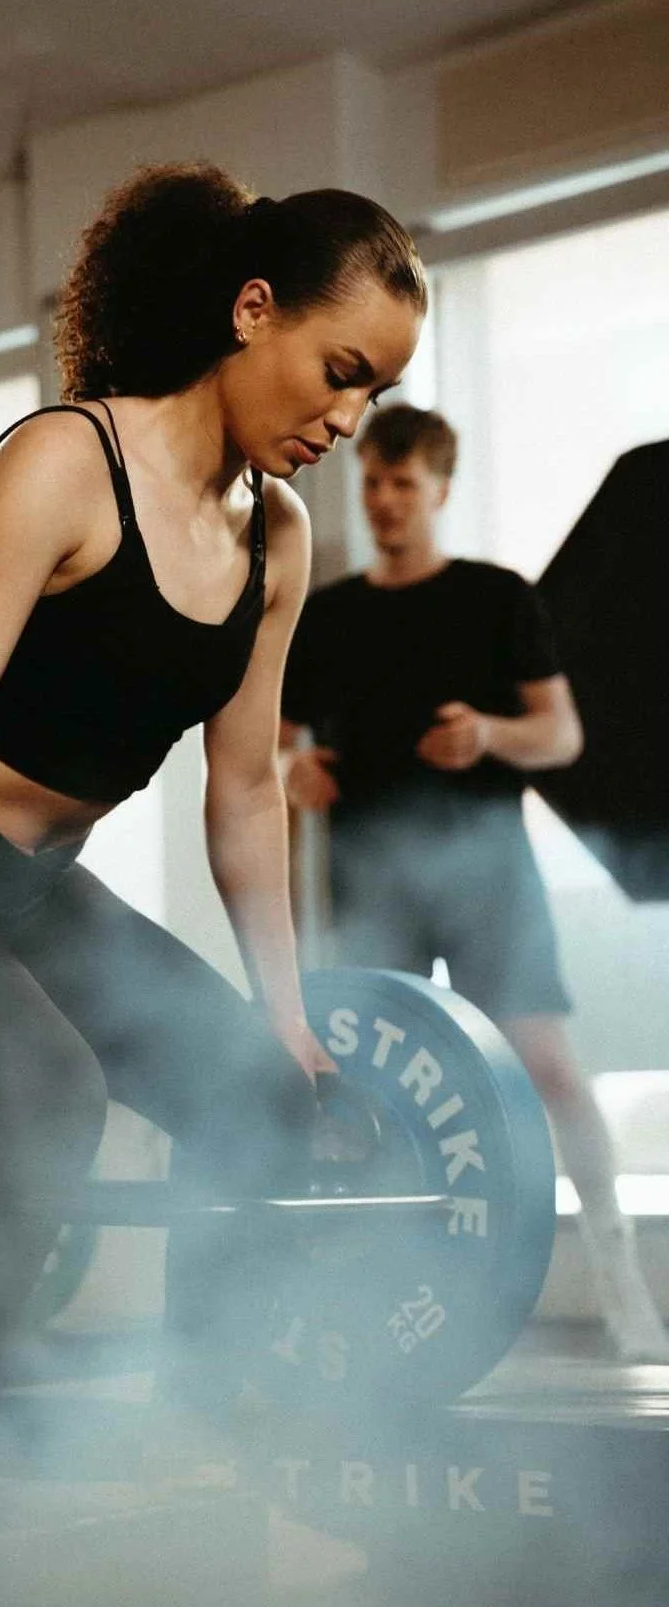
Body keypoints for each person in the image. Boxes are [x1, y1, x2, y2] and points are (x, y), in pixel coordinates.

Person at [0, 162, 425, 1439]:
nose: (352, 417)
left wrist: (281, 1010)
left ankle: (208, 1407)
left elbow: (246, 791)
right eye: (342, 369)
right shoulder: (68, 459)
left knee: (261, 1096)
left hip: (20, 887)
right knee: (44, 1083)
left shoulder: (277, 541)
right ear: (254, 309)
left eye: (377, 391)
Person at [281, 402, 669, 1362]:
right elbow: (279, 745)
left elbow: (563, 735)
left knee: (545, 1067)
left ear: (441, 489)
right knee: (368, 1092)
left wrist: (488, 735)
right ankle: (386, 1297)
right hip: (370, 876)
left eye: (404, 484)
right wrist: (295, 767)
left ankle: (622, 1282)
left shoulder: (497, 598)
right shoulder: (328, 615)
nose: (384, 501)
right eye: (373, 481)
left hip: (487, 870)